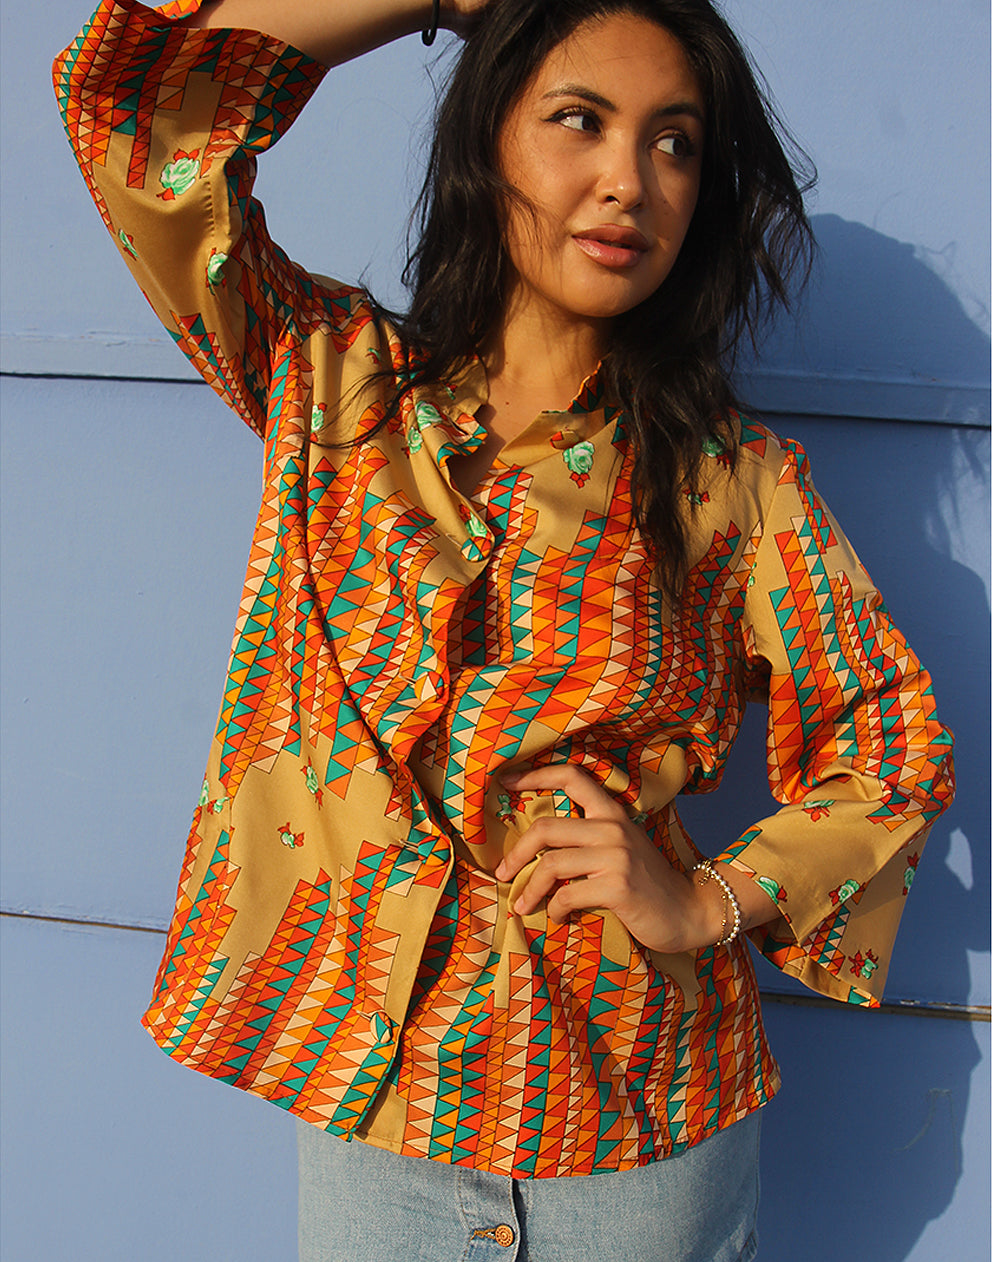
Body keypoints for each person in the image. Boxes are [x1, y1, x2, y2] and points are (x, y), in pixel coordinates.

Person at [53, 1, 955, 1258]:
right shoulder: (332, 382)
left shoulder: (730, 484)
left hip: (637, 1115)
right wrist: (435, 0)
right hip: (377, 1106)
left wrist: (705, 899)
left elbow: (892, 741)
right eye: (578, 120)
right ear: (488, 141)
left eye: (675, 142)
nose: (627, 179)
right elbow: (142, 127)